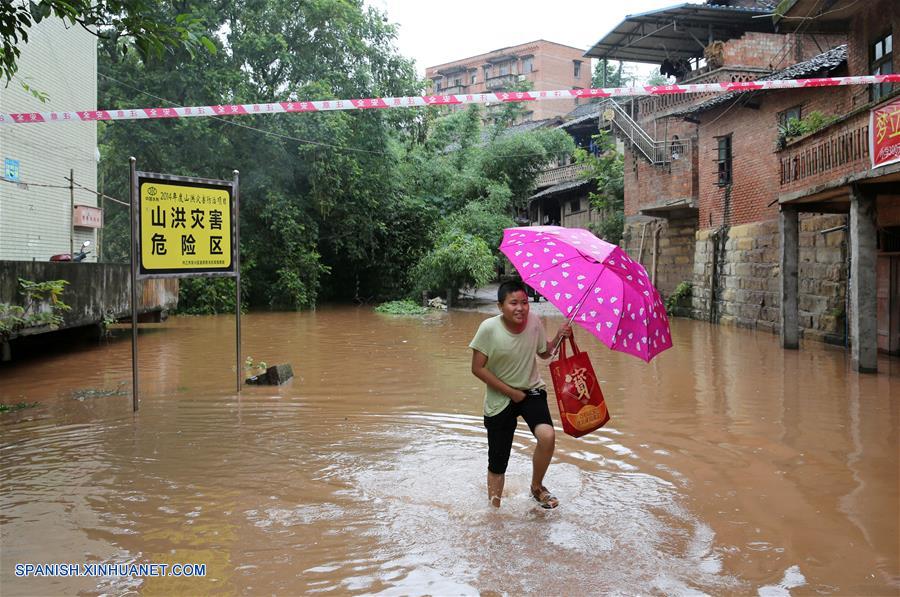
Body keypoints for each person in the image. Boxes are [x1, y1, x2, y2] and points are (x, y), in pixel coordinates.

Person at [469, 279, 571, 509]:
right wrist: (510, 392)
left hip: (531, 390)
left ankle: (537, 487)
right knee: (498, 462)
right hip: (500, 397)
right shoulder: (488, 329)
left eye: (524, 302)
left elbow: (545, 353)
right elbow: (477, 368)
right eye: (513, 303)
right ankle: (494, 512)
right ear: (500, 306)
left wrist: (559, 336)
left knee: (547, 436)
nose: (520, 308)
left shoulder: (534, 321)